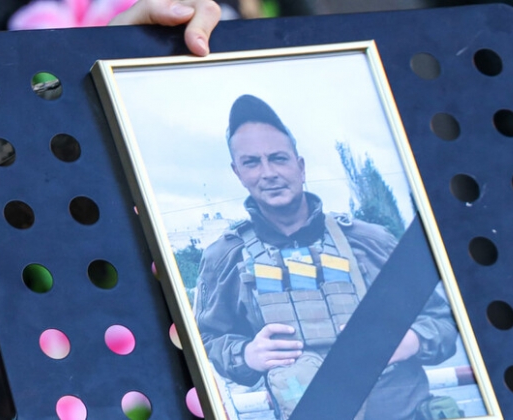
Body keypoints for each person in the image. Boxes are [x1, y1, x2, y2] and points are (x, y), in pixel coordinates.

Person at [194, 94, 458, 420]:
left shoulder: (370, 240)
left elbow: (444, 320)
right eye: (251, 163)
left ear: (300, 166)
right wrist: (245, 354)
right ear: (237, 173)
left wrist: (411, 340)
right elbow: (208, 338)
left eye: (278, 158)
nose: (268, 172)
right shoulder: (225, 259)